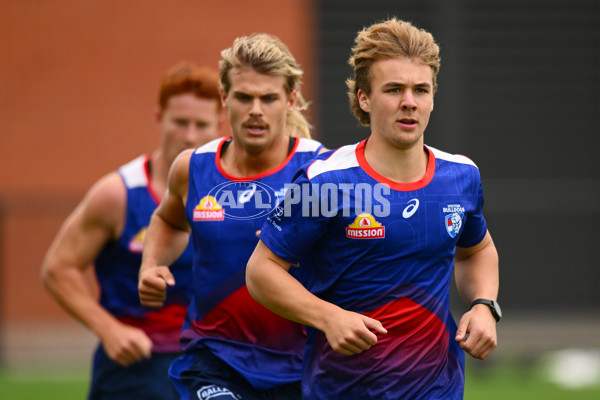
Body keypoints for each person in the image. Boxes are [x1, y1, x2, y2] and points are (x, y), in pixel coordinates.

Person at [246, 17, 500, 399]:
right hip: (342, 387)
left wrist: (484, 306)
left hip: (439, 387)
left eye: (421, 89)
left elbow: (476, 250)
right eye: (393, 89)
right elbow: (261, 271)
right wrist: (328, 317)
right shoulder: (324, 181)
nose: (409, 102)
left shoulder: (461, 175)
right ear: (364, 98)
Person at [138, 33, 326, 400]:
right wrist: (151, 265)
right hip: (215, 356)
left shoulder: (321, 170)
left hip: (303, 364)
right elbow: (169, 220)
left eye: (268, 98)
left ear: (289, 101)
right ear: (224, 98)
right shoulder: (192, 167)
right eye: (244, 97)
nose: (256, 109)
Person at [41, 61, 226, 400]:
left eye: (201, 124)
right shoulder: (119, 194)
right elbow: (57, 268)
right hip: (135, 366)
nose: (189, 135)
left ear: (219, 125)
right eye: (180, 122)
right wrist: (109, 330)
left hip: (210, 361)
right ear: (159, 118)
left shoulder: (233, 194)